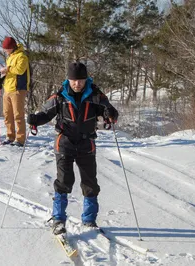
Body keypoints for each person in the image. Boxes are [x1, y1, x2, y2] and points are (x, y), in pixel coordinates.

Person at [26, 62, 119, 235]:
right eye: (74, 80)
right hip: (65, 143)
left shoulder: (96, 95)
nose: (77, 84)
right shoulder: (60, 96)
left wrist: (110, 115)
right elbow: (46, 113)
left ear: (86, 79)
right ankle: (58, 219)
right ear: (68, 79)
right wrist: (34, 119)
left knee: (90, 182)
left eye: (81, 80)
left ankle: (89, 220)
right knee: (64, 181)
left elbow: (108, 109)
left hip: (86, 142)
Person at [0, 36, 30, 147]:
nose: (5, 51)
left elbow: (20, 70)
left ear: (11, 47)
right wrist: (2, 78)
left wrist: (7, 69)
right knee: (7, 114)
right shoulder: (10, 57)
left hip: (18, 89)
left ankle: (20, 139)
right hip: (8, 88)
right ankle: (10, 136)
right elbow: (10, 72)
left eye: (6, 48)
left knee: (18, 115)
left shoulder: (22, 56)